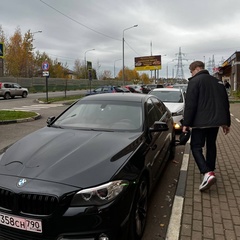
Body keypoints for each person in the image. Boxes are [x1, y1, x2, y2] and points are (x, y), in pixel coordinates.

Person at [182, 61, 231, 192]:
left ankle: (207, 173)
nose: (191, 74)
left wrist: (186, 123)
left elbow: (190, 105)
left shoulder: (194, 81)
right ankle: (210, 170)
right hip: (215, 122)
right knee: (211, 145)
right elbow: (225, 103)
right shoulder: (218, 82)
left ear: (196, 69)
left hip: (199, 123)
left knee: (196, 147)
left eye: (191, 71)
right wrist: (226, 122)